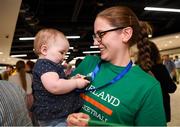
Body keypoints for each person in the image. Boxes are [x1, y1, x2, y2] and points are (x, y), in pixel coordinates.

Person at [66, 6, 166, 126]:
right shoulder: (89, 63)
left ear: (125, 34)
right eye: (95, 36)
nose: (95, 42)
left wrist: (92, 125)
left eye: (101, 34)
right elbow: (62, 99)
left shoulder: (148, 87)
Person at [31, 28, 89, 126]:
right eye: (61, 52)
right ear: (44, 50)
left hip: (57, 115)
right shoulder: (45, 65)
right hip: (53, 118)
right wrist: (76, 83)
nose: (64, 57)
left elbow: (58, 81)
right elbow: (55, 86)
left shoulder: (49, 65)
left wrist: (71, 79)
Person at [148, 41, 177, 122]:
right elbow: (171, 88)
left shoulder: (137, 70)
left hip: (144, 109)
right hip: (160, 105)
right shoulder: (160, 68)